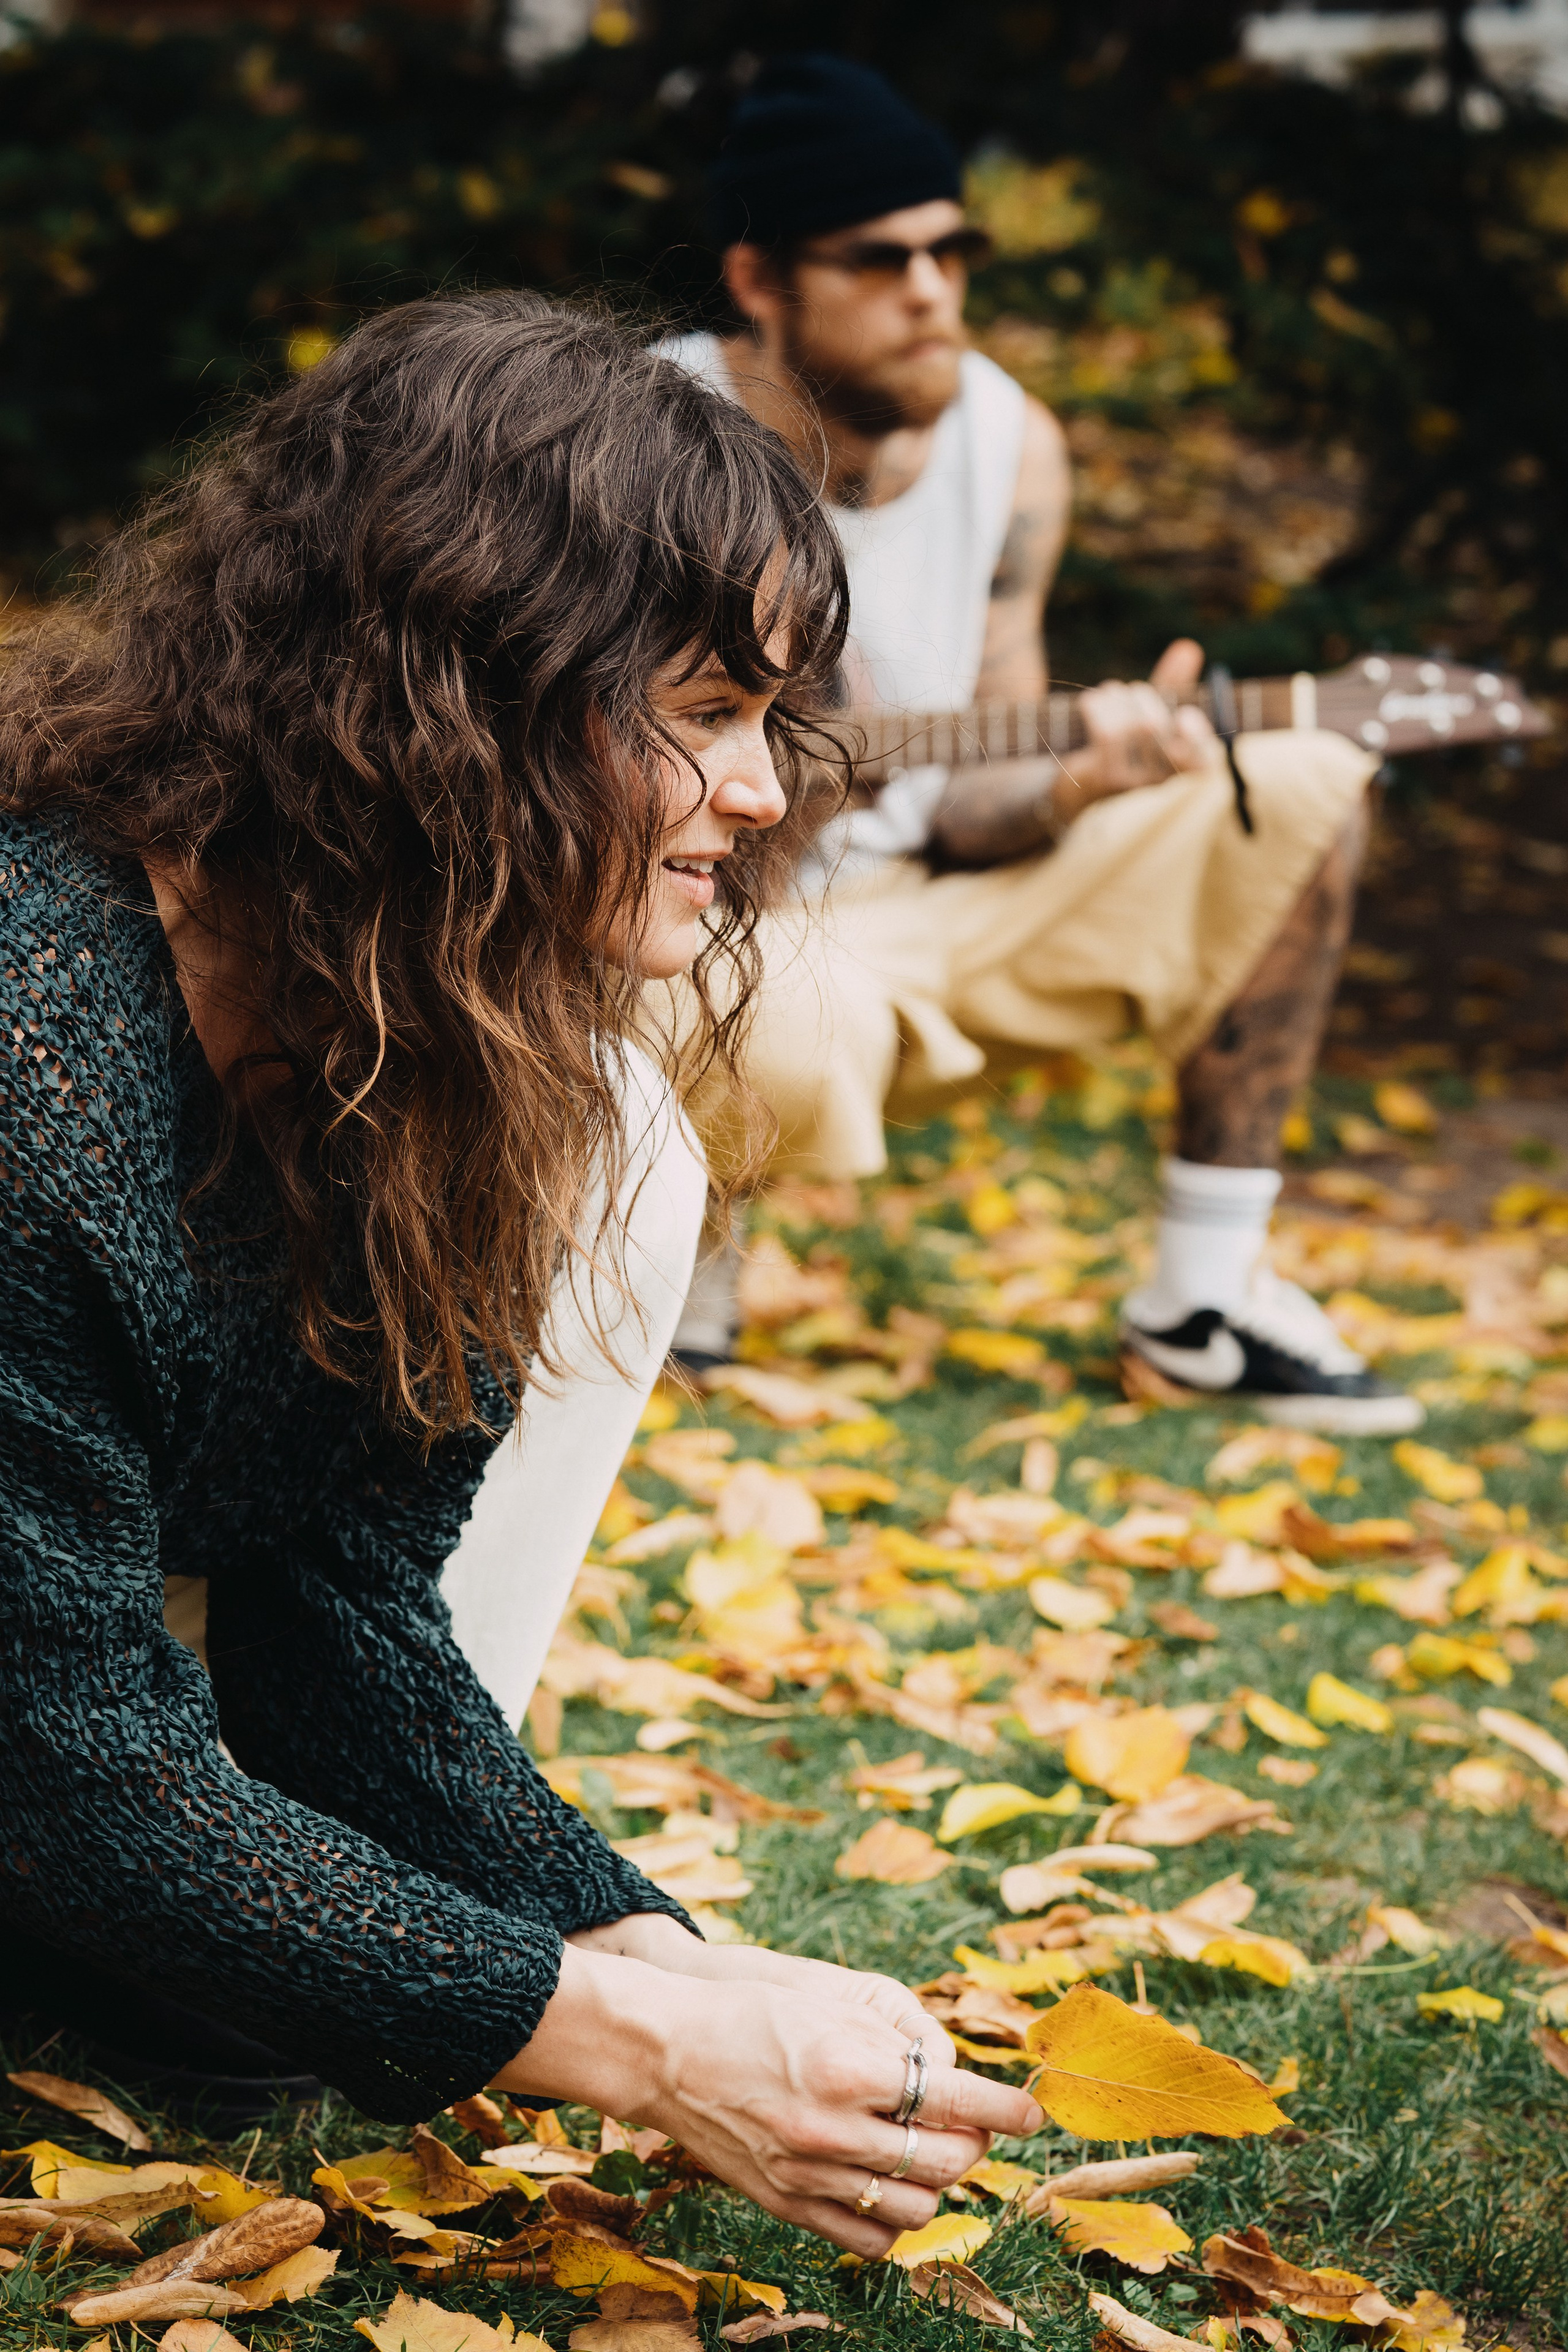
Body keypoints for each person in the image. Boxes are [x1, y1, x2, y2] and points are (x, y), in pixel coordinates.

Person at [0, 288, 1039, 2237]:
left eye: (771, 721)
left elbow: (345, 1612)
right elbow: (63, 1767)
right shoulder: (30, 1053)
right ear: (463, 698)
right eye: (707, 716)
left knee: (621, 1132)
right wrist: (627, 2047)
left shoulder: (422, 1036)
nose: (765, 794)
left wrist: (651, 1952)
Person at [663, 55, 1421, 1437]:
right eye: (879, 260)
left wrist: (1077, 778)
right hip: (696, 915)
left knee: (1297, 784)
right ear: (759, 282)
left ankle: (1203, 1297)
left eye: (953, 253)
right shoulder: (636, 450)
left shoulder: (1010, 448)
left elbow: (968, 806)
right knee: (737, 985)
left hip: (918, 910)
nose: (932, 295)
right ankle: (673, 1271)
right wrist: (787, 777)